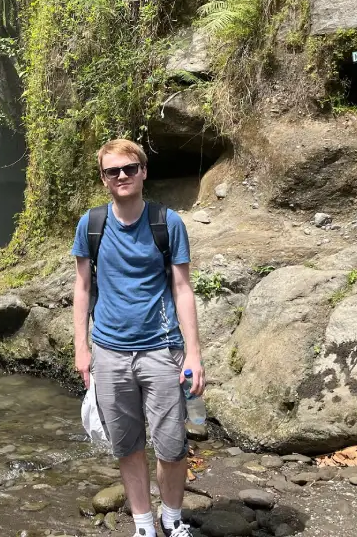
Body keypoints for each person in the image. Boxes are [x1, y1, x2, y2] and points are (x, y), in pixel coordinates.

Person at [72, 138, 204, 537]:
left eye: (130, 168)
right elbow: (82, 288)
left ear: (144, 171)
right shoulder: (91, 225)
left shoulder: (168, 222)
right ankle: (144, 526)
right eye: (113, 171)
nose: (122, 176)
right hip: (109, 353)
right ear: (104, 179)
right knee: (127, 447)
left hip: (162, 351)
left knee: (171, 445)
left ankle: (173, 518)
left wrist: (193, 355)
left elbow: (182, 289)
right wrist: (82, 349)